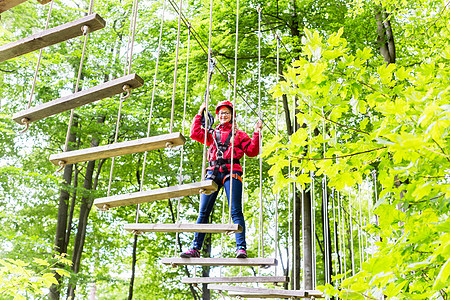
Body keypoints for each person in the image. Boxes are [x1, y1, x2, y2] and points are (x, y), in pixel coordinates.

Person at [180, 100, 262, 259]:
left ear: (232, 116)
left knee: (235, 210)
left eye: (227, 113)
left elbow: (252, 151)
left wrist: (257, 133)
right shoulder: (211, 133)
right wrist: (199, 113)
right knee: (203, 212)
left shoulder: (239, 134)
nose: (224, 115)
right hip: (212, 172)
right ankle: (195, 248)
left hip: (231, 172)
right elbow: (194, 133)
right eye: (221, 113)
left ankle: (241, 248)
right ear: (217, 116)